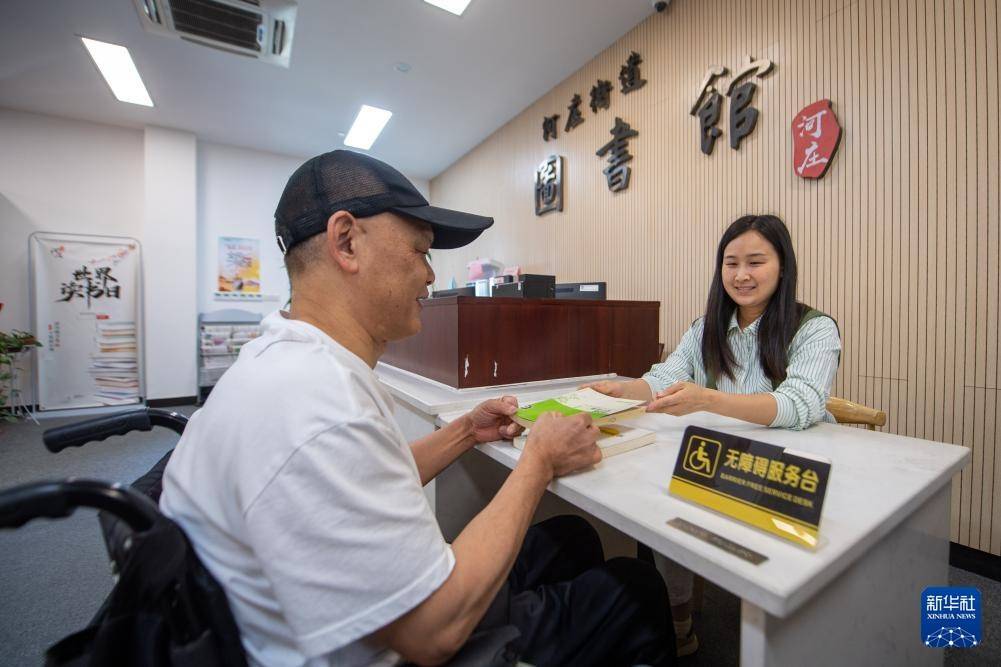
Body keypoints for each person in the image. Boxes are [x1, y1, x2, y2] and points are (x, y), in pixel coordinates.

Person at [160, 149, 675, 667]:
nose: (431, 276)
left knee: (572, 536)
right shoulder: (319, 402)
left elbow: (358, 477)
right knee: (633, 589)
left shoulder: (287, 363)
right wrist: (538, 461)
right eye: (419, 251)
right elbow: (435, 632)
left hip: (333, 615)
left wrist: (467, 433)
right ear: (346, 241)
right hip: (406, 644)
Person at [585, 213, 841, 655]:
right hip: (724, 457)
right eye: (730, 263)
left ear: (783, 266)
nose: (741, 275)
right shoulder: (705, 328)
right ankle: (678, 614)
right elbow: (664, 376)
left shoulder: (814, 328)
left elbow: (799, 404)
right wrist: (618, 389)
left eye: (756, 262)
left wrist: (707, 399)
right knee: (665, 498)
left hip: (791, 466)